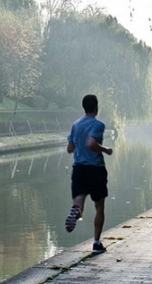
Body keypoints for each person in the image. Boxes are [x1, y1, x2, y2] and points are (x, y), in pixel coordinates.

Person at [65, 94, 113, 254]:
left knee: (78, 203)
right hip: (95, 169)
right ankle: (96, 243)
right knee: (99, 206)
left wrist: (79, 146)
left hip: (78, 168)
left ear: (84, 107)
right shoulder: (98, 125)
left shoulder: (76, 125)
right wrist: (105, 149)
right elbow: (91, 143)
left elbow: (70, 148)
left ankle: (75, 211)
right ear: (96, 107)